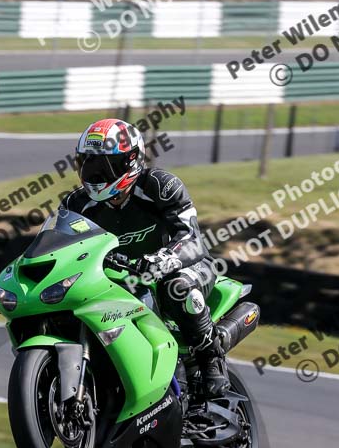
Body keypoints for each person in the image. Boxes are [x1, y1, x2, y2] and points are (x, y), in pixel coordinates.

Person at [60, 117, 230, 399]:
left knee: (176, 287)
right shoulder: (77, 204)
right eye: (88, 164)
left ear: (131, 161)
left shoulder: (160, 186)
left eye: (105, 166)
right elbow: (60, 245)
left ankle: (212, 360)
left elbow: (192, 238)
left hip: (186, 266)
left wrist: (163, 260)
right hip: (121, 278)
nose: (95, 174)